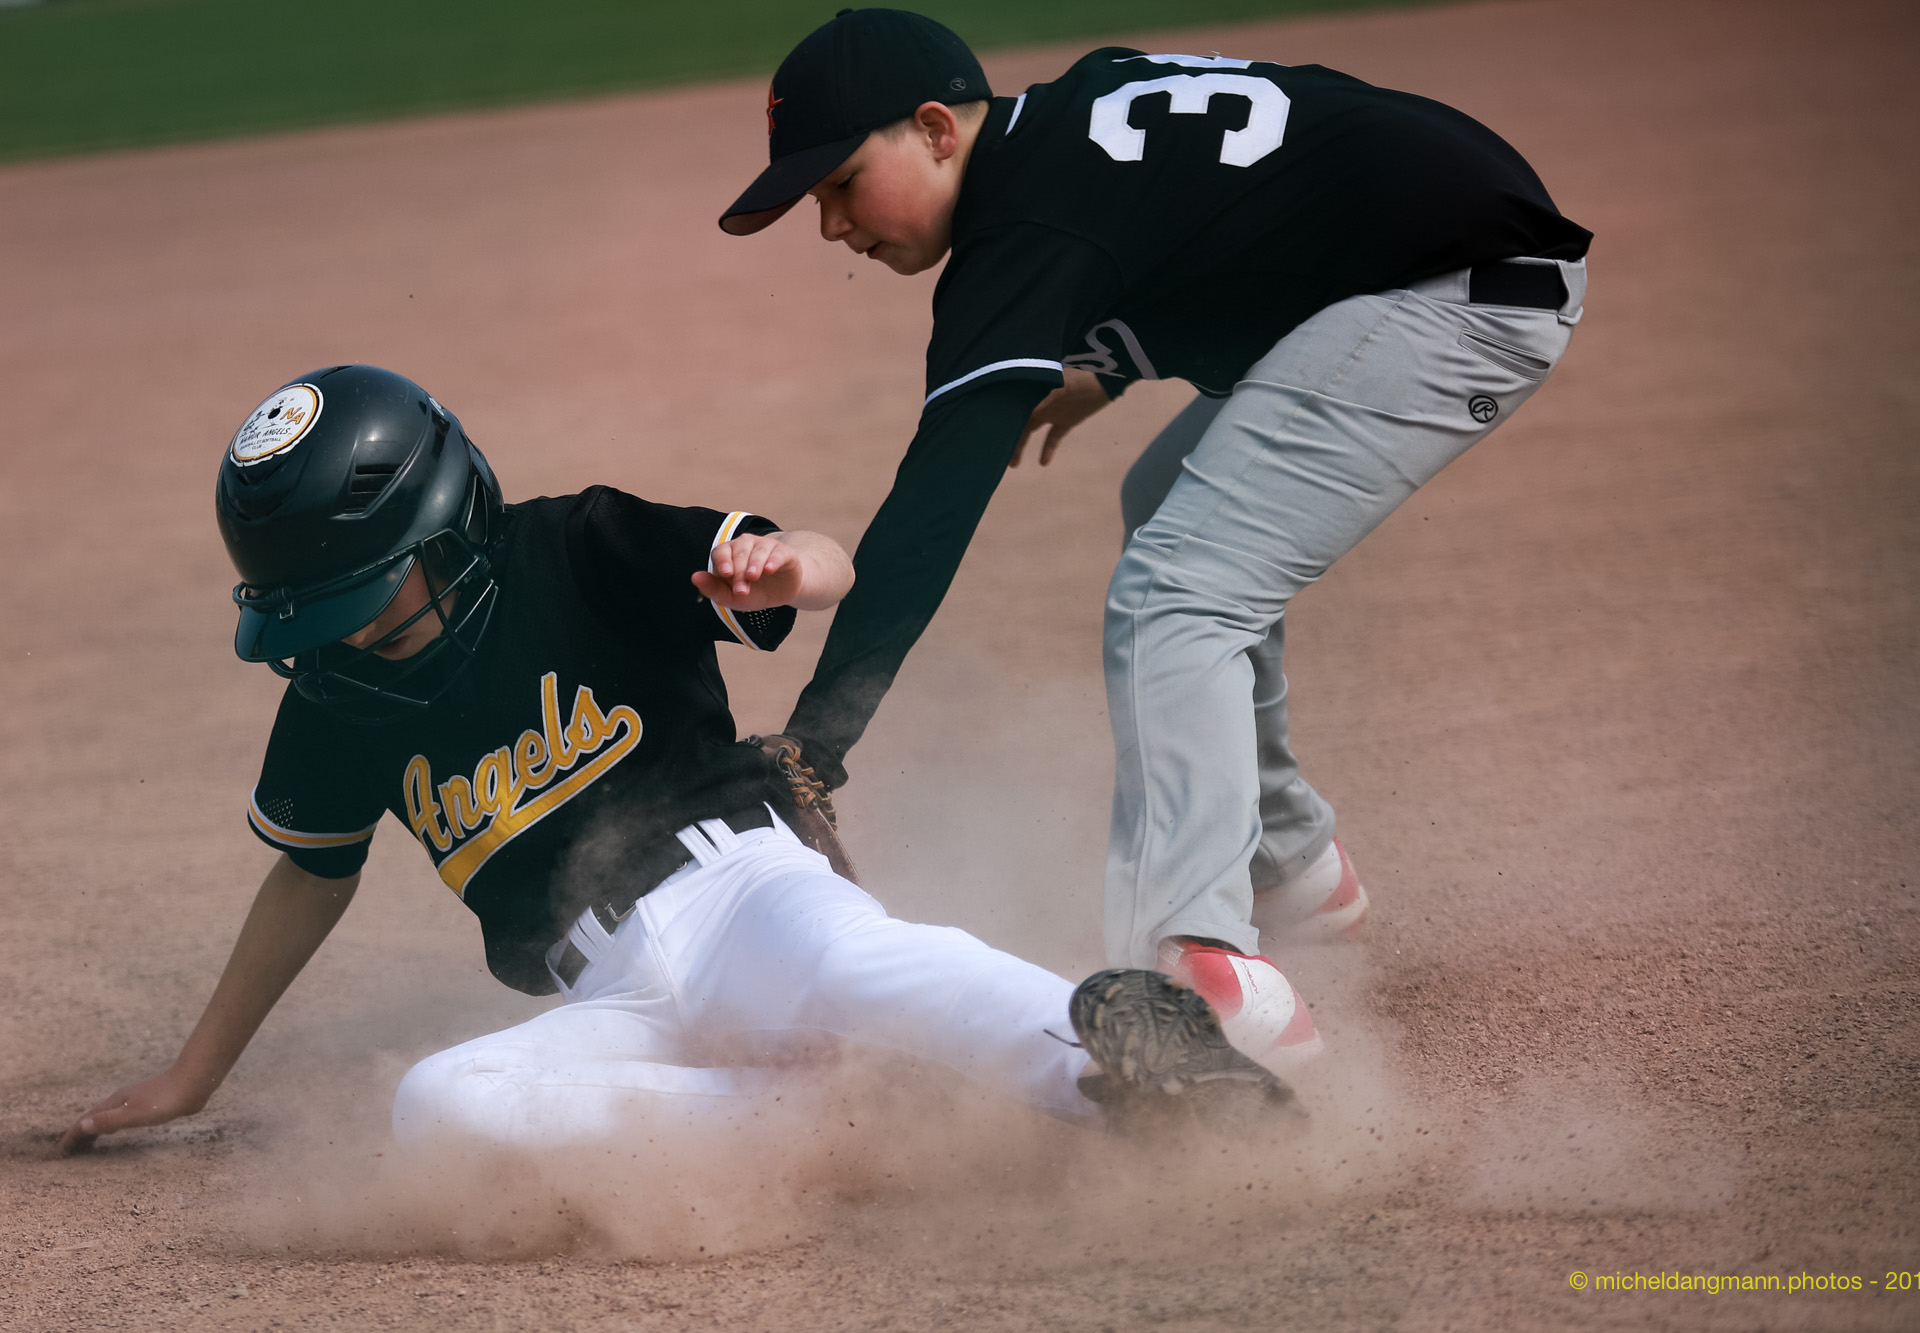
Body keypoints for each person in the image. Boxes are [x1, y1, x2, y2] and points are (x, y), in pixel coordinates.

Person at [58, 364, 1288, 1157]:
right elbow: (311, 876)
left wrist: (790, 569)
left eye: (369, 605)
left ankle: (1140, 1075)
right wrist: (193, 1071)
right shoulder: (341, 689)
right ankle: (845, 1121)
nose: (346, 643)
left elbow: (825, 562)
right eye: (315, 623)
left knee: (874, 967)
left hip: (741, 890)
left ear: (453, 529)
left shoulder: (573, 548)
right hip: (607, 997)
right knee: (438, 1112)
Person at [718, 9, 1591, 1071]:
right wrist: (1113, 364)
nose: (831, 227)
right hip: (1429, 267)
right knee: (1164, 497)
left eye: (842, 182)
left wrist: (818, 744)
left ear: (937, 129)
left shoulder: (1020, 233)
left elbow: (928, 513)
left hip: (1454, 296)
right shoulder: (1067, 120)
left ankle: (1198, 973)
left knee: (1176, 588)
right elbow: (1216, 208)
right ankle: (1291, 866)